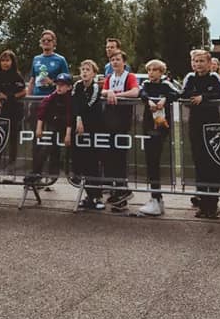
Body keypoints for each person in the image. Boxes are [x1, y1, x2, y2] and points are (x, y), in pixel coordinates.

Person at [180, 48, 220, 219]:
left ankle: (213, 203)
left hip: (212, 125)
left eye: (202, 61)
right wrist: (193, 96)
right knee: (199, 162)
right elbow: (183, 94)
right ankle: (202, 202)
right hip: (195, 124)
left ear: (209, 63)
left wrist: (204, 97)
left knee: (212, 163)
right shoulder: (190, 77)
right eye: (195, 61)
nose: (198, 64)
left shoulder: (214, 77)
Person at [137, 60, 180, 216]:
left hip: (161, 127)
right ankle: (156, 198)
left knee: (155, 161)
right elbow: (142, 93)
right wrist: (148, 100)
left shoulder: (166, 85)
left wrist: (164, 99)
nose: (151, 73)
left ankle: (156, 198)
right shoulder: (146, 84)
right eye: (149, 70)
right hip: (148, 125)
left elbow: (176, 93)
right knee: (150, 161)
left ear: (161, 72)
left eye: (155, 70)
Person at [99, 51, 141, 211]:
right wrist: (108, 92)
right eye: (112, 60)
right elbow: (102, 91)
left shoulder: (128, 76)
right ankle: (115, 189)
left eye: (117, 59)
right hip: (109, 119)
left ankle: (123, 188)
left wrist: (117, 95)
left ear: (124, 62)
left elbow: (135, 91)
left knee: (120, 154)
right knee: (109, 154)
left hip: (122, 120)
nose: (114, 62)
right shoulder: (109, 78)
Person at [71, 60, 108, 212]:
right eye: (83, 69)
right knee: (82, 161)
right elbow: (74, 103)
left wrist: (81, 117)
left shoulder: (95, 87)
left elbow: (88, 104)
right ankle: (88, 196)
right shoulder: (77, 85)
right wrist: (78, 119)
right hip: (80, 127)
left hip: (94, 127)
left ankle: (97, 196)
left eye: (88, 70)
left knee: (93, 162)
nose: (85, 72)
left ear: (94, 73)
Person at [31, 73, 75, 197]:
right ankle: (37, 175)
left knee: (71, 153)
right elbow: (42, 111)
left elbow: (70, 116)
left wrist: (67, 134)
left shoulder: (70, 99)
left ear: (69, 87)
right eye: (57, 84)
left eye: (62, 85)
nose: (59, 87)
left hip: (69, 128)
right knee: (48, 149)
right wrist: (39, 128)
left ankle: (75, 175)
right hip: (55, 126)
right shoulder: (52, 96)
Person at [30, 30, 69, 97]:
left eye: (49, 40)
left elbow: (67, 83)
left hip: (53, 99)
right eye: (43, 40)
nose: (46, 42)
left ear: (54, 42)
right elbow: (32, 81)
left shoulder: (61, 60)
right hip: (36, 98)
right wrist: (28, 100)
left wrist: (51, 82)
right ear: (40, 43)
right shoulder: (36, 59)